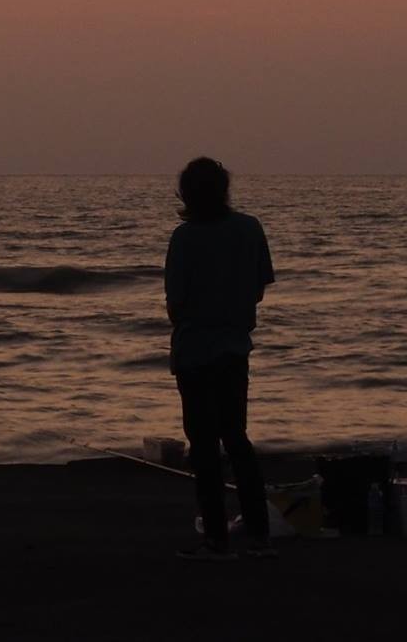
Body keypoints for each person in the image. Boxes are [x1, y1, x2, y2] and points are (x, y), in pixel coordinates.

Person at [163, 156, 276, 560]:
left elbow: (176, 303)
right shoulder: (250, 229)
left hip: (195, 352)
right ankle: (259, 535)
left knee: (204, 446)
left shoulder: (184, 239)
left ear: (186, 194)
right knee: (237, 439)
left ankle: (215, 539)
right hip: (234, 348)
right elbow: (259, 287)